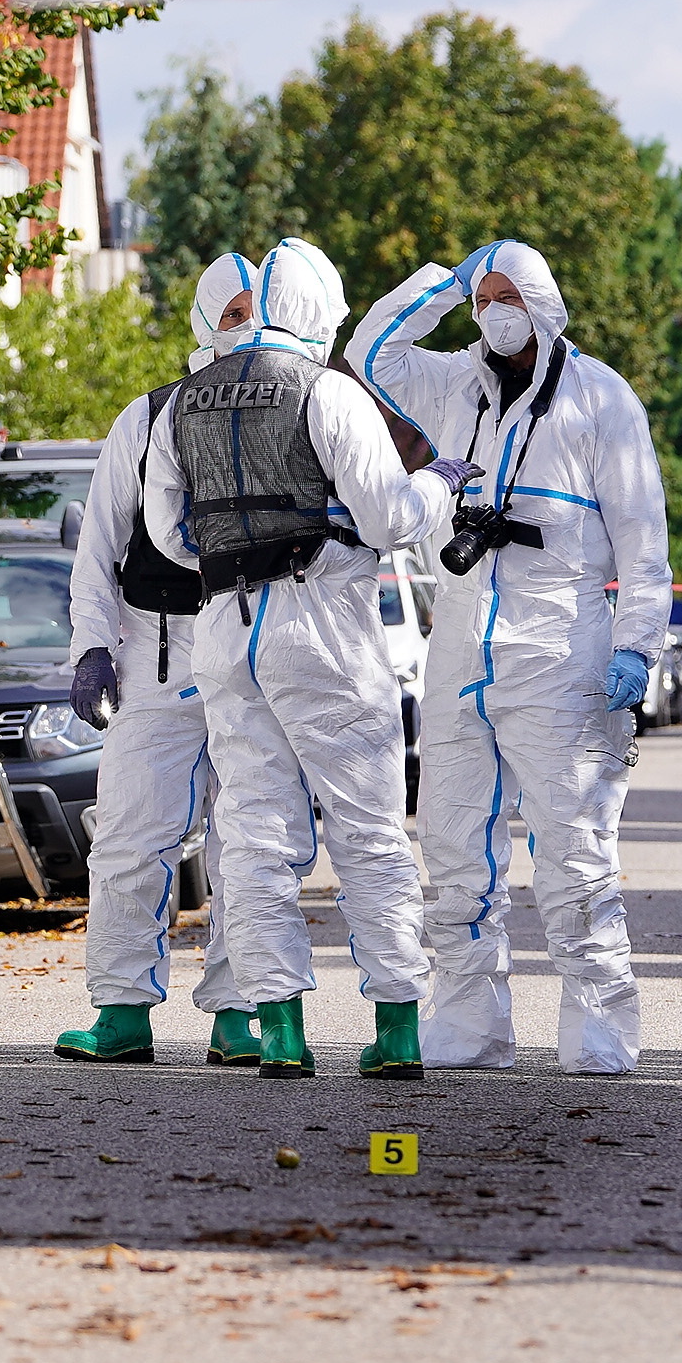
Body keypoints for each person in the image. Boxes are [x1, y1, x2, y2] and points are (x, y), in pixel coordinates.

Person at [144, 238, 478, 1080]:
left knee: (253, 836)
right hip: (322, 618)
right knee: (366, 828)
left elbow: (166, 534)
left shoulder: (182, 400)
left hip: (225, 625)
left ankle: (281, 1030)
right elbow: (390, 517)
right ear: (322, 316)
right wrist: (440, 478)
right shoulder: (326, 391)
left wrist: (230, 562)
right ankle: (397, 1027)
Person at [349, 241, 670, 1073]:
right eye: (483, 296)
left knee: (574, 854)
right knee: (455, 852)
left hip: (562, 651)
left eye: (504, 294)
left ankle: (599, 1036)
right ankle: (468, 1028)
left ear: (541, 302)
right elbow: (370, 350)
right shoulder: (455, 380)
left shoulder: (602, 399)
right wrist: (445, 284)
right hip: (460, 647)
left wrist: (638, 644)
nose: (492, 309)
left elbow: (643, 542)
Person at [56, 252, 261, 1065]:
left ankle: (241, 1009)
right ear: (206, 317)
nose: (249, 326)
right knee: (132, 837)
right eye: (237, 310)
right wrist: (93, 648)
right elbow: (99, 546)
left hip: (256, 652)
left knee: (249, 837)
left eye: (261, 309)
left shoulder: (301, 407)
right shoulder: (147, 418)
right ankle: (121, 1009)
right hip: (158, 652)